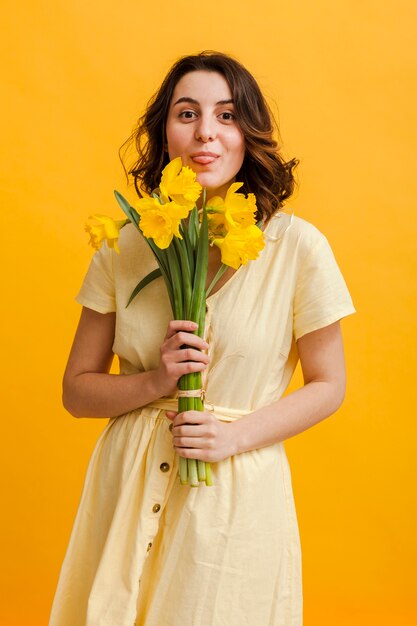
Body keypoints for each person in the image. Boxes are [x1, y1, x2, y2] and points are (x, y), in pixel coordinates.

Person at [49, 51, 355, 626]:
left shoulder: (297, 248)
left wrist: (231, 438)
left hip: (234, 490)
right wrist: (155, 380)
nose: (205, 133)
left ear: (249, 134)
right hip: (127, 486)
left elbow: (329, 384)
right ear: (165, 134)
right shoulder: (124, 245)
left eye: (227, 115)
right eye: (187, 114)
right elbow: (76, 391)